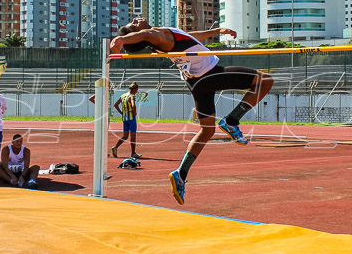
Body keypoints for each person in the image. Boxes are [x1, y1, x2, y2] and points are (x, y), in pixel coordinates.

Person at [110, 18, 274, 206]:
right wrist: (121, 39)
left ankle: (181, 174)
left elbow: (190, 37)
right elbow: (144, 34)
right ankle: (232, 120)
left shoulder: (161, 38)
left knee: (206, 131)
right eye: (134, 25)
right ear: (136, 35)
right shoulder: (154, 34)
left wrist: (216, 31)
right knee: (265, 80)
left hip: (196, 83)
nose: (135, 20)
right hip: (210, 73)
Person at [111, 82, 142, 159]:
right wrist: (134, 112)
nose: (137, 92)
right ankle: (133, 153)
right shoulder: (131, 96)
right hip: (131, 118)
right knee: (133, 136)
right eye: (136, 90)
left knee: (125, 136)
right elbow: (133, 105)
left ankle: (116, 147)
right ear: (134, 89)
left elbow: (115, 105)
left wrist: (121, 112)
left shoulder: (123, 96)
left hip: (125, 118)